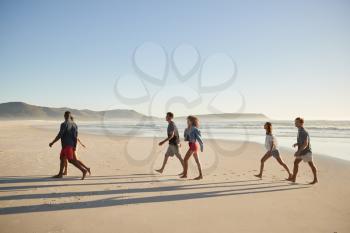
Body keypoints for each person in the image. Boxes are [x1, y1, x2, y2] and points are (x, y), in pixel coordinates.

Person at [49, 111, 87, 180]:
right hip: (68, 145)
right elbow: (75, 137)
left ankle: (83, 170)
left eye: (66, 115)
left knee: (70, 160)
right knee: (62, 158)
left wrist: (52, 142)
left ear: (65, 116)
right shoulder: (75, 124)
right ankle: (60, 174)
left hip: (67, 145)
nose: (66, 117)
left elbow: (60, 135)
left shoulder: (64, 124)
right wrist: (75, 146)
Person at [287, 117, 318, 184]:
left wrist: (298, 151)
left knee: (311, 165)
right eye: (295, 122)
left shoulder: (303, 132)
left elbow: (305, 144)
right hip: (302, 151)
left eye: (297, 122)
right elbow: (302, 142)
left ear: (301, 123)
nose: (295, 123)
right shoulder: (299, 130)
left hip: (306, 152)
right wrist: (297, 143)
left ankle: (315, 179)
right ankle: (294, 178)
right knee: (295, 163)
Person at [180, 115, 204, 180]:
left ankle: (185, 174)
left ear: (192, 121)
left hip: (193, 146)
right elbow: (186, 139)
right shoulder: (188, 129)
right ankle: (201, 175)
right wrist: (185, 133)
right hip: (191, 145)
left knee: (185, 159)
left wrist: (202, 146)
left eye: (188, 120)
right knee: (197, 161)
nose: (187, 121)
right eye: (187, 120)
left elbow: (199, 138)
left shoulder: (194, 129)